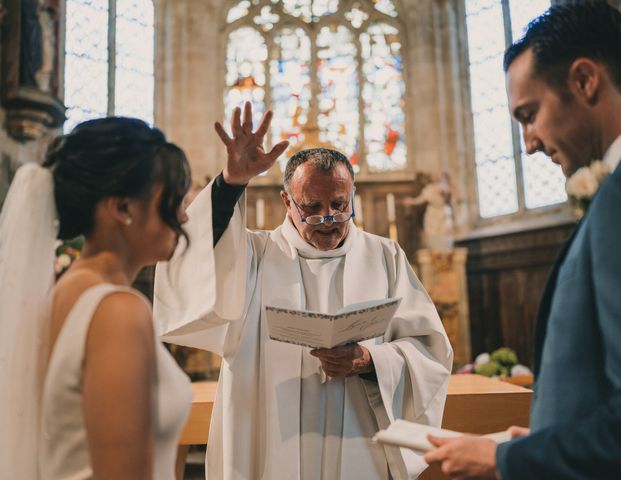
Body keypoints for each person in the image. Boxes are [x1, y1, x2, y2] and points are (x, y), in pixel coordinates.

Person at [154, 102, 453, 480]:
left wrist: (370, 361)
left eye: (340, 205)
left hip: (361, 442)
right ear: (287, 202)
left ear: (353, 195)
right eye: (313, 207)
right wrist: (230, 184)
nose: (329, 219)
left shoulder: (385, 255)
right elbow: (194, 256)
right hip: (268, 440)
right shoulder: (254, 256)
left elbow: (429, 350)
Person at [424, 2, 621, 478]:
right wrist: (552, 435)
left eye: (530, 114)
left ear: (585, 80)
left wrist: (505, 459)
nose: (528, 142)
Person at [0, 117, 193, 479]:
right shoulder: (117, 311)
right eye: (172, 198)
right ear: (122, 209)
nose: (183, 214)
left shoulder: (69, 289)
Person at [403, 172, 454, 250]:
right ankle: (435, 252)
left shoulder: (443, 186)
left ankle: (444, 252)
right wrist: (411, 201)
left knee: (444, 232)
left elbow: (448, 193)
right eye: (433, 177)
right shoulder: (428, 189)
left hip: (442, 212)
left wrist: (443, 191)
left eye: (436, 176)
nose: (435, 178)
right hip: (432, 214)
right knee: (431, 233)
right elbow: (420, 200)